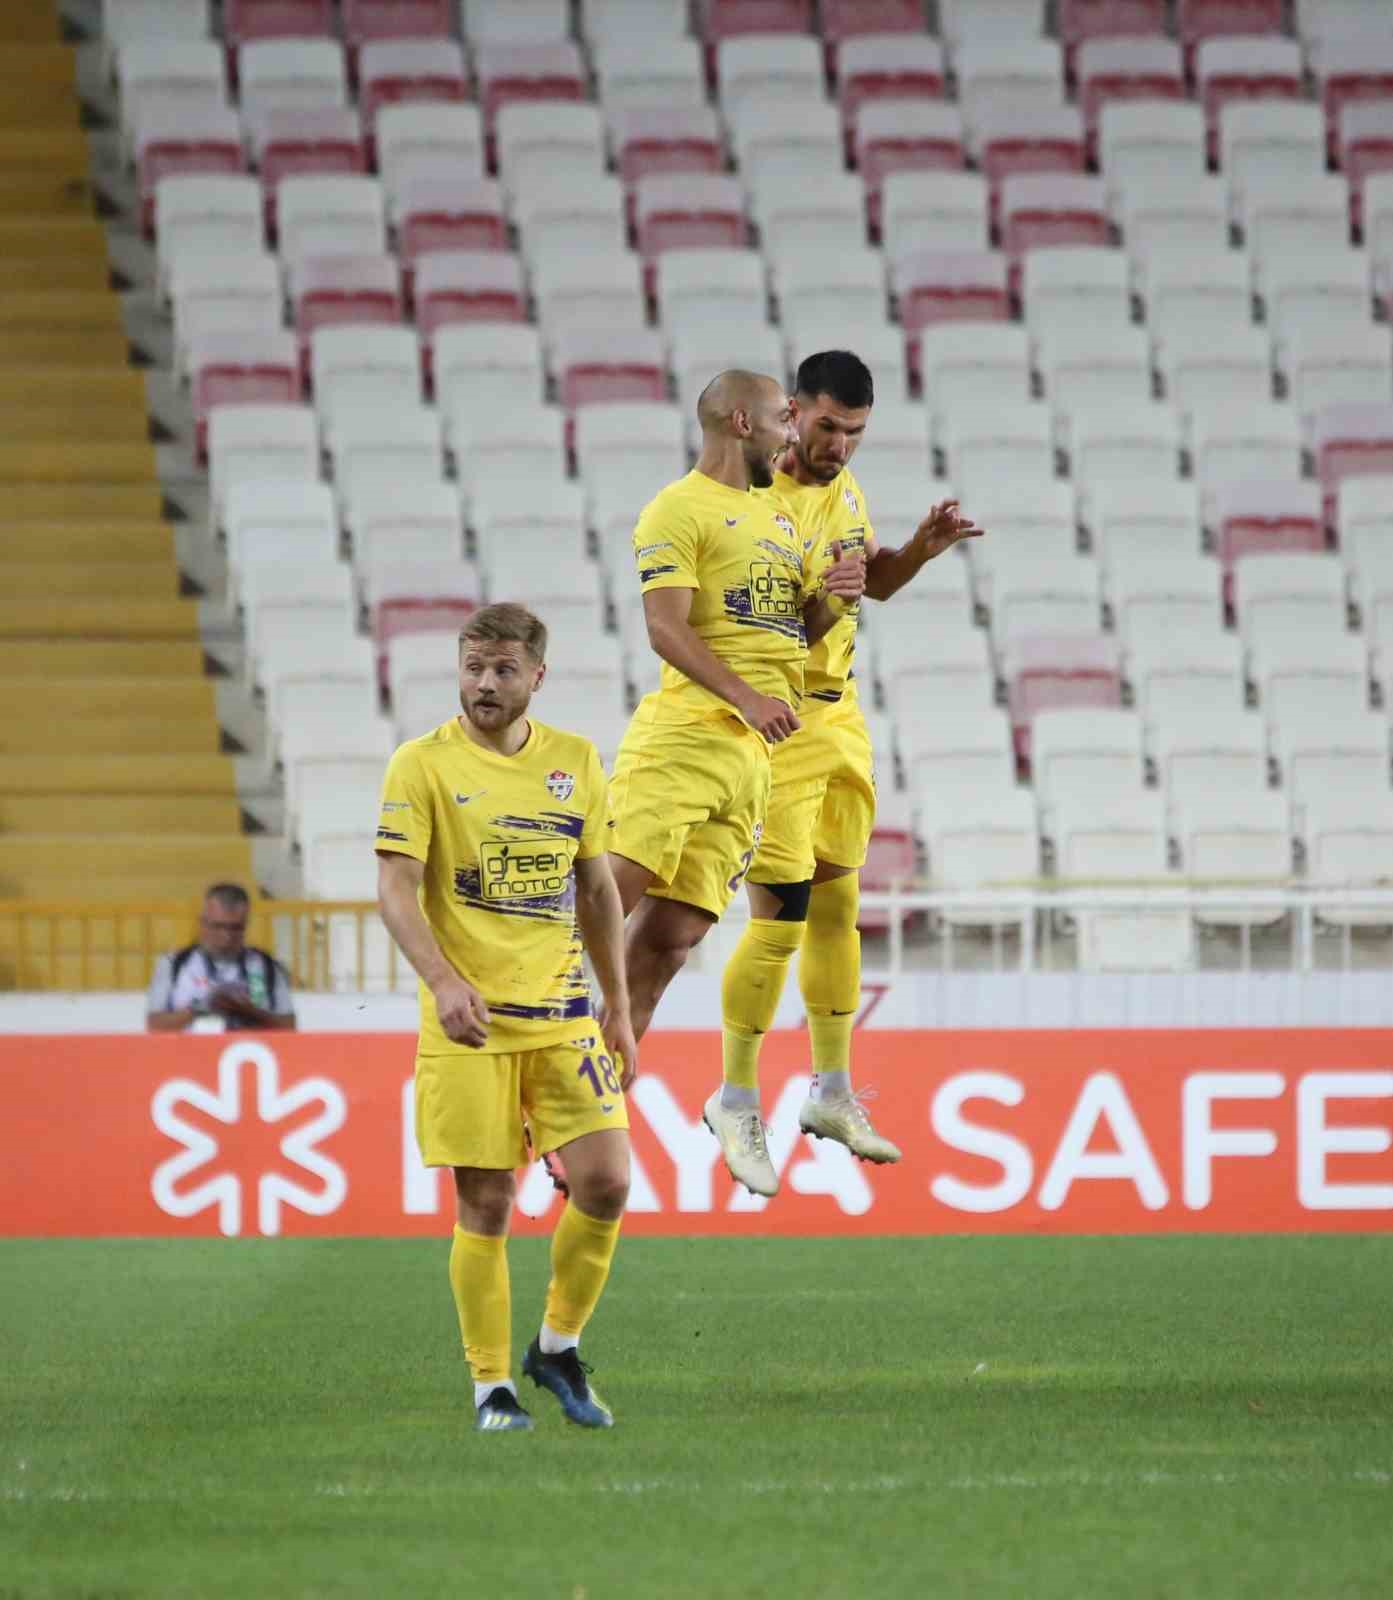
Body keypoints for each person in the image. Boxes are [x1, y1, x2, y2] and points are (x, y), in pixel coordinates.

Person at [715, 350, 983, 1196]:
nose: (839, 445)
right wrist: (831, 598)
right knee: (779, 922)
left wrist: (919, 552)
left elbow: (873, 584)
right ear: (791, 412)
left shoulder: (846, 490)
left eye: (855, 432)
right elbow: (769, 629)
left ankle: (829, 1090)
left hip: (839, 719)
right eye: (827, 426)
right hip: (779, 724)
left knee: (838, 912)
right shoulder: (752, 503)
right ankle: (735, 1098)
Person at [376, 603, 638, 1436]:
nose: (484, 684)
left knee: (608, 1181)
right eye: (472, 668)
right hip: (471, 1025)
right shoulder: (420, 765)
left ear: (536, 676)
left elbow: (596, 888)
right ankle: (491, 1387)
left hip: (563, 1017)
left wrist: (617, 1006)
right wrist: (442, 982)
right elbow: (395, 888)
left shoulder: (575, 760)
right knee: (486, 1204)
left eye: (502, 670)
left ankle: (556, 1347)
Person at [605, 369, 866, 1069]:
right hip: (687, 737)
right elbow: (665, 628)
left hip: (753, 760)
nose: (791, 435)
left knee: (672, 939)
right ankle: (517, 1036)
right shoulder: (676, 509)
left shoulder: (777, 519)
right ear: (742, 423)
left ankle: (586, 1094)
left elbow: (791, 632)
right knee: (606, 897)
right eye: (783, 420)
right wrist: (747, 697)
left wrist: (834, 600)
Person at [146, 883, 296, 1032]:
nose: (226, 936)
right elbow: (155, 1026)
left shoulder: (267, 966)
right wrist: (199, 1008)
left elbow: (289, 1026)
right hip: (191, 1047)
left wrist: (250, 1012)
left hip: (246, 1047)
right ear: (202, 923)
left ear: (246, 925)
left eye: (235, 928)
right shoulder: (174, 964)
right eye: (218, 926)